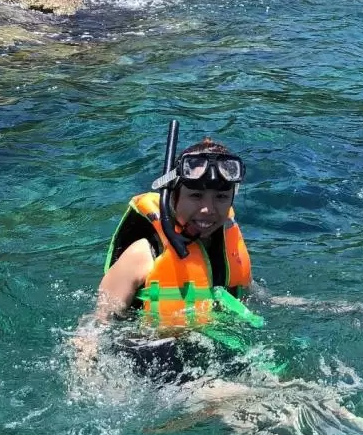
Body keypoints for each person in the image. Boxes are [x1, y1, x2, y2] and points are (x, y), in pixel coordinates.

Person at [73, 125, 264, 382]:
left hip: (205, 353)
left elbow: (253, 295)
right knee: (248, 404)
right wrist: (84, 374)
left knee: (289, 392)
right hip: (149, 360)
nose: (208, 209)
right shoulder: (143, 253)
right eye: (195, 196)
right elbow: (96, 324)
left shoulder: (225, 246)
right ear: (172, 196)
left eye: (220, 197)